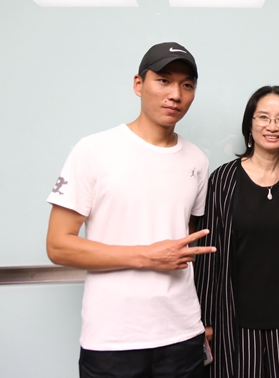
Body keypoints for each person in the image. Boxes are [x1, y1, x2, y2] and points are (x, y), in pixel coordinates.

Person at [45, 42, 216, 378]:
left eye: (186, 85)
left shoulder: (197, 160)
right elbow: (58, 245)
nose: (175, 94)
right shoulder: (94, 150)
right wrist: (147, 256)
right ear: (139, 84)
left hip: (183, 335)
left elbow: (185, 242)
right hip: (114, 341)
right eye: (164, 81)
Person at [194, 86, 279, 378]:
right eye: (263, 117)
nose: (272, 126)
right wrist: (205, 319)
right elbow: (208, 255)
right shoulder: (223, 180)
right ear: (249, 124)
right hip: (236, 323)